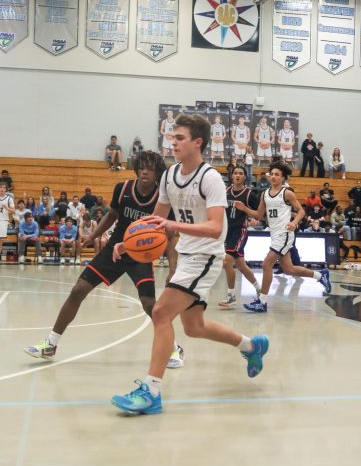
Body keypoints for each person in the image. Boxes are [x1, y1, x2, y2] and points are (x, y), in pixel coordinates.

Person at [111, 114, 269, 415]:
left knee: (160, 312)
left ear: (198, 142)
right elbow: (155, 220)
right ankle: (251, 346)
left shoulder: (209, 178)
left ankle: (151, 391)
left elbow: (214, 227)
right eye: (172, 137)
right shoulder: (170, 176)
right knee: (194, 327)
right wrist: (128, 241)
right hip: (187, 255)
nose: (173, 142)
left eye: (179, 137)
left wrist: (171, 224)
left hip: (207, 256)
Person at [24, 151, 184, 370]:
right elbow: (111, 216)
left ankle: (173, 347)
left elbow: (171, 236)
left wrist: (173, 269)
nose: (145, 171)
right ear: (136, 168)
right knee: (78, 289)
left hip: (141, 255)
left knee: (149, 305)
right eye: (142, 166)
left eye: (151, 167)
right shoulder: (123, 188)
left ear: (158, 172)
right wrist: (93, 235)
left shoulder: (164, 198)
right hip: (114, 249)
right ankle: (50, 344)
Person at [232, 160, 331, 314]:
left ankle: (262, 302)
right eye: (272, 174)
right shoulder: (265, 194)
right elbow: (258, 215)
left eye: (277, 175)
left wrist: (294, 222)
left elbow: (302, 211)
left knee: (266, 264)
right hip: (275, 235)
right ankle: (320, 275)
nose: (273, 177)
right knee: (289, 269)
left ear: (283, 178)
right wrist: (244, 208)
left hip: (285, 234)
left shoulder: (287, 193)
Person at [219, 166, 261, 308]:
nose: (237, 175)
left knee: (227, 261)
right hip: (227, 232)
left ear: (244, 177)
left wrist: (245, 209)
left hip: (240, 231)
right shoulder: (225, 192)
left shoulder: (249, 195)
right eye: (235, 173)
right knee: (242, 266)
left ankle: (231, 296)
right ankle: (260, 289)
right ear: (231, 176)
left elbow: (259, 214)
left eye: (241, 173)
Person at [0, 181, 15, 259]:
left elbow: (13, 211)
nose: (2, 189)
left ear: (6, 189)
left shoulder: (9, 198)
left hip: (3, 220)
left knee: (1, 239)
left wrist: (6, 208)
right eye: (1, 187)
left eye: (4, 187)